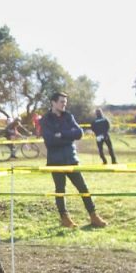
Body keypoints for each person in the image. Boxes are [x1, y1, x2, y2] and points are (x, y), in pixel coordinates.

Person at [40, 92, 106, 229]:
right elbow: (50, 140)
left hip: (71, 159)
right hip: (56, 161)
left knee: (83, 188)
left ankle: (94, 216)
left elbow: (79, 133)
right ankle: (65, 218)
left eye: (65, 102)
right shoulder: (45, 120)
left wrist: (62, 134)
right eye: (61, 102)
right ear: (53, 102)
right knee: (60, 190)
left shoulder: (69, 116)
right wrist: (68, 137)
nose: (64, 104)